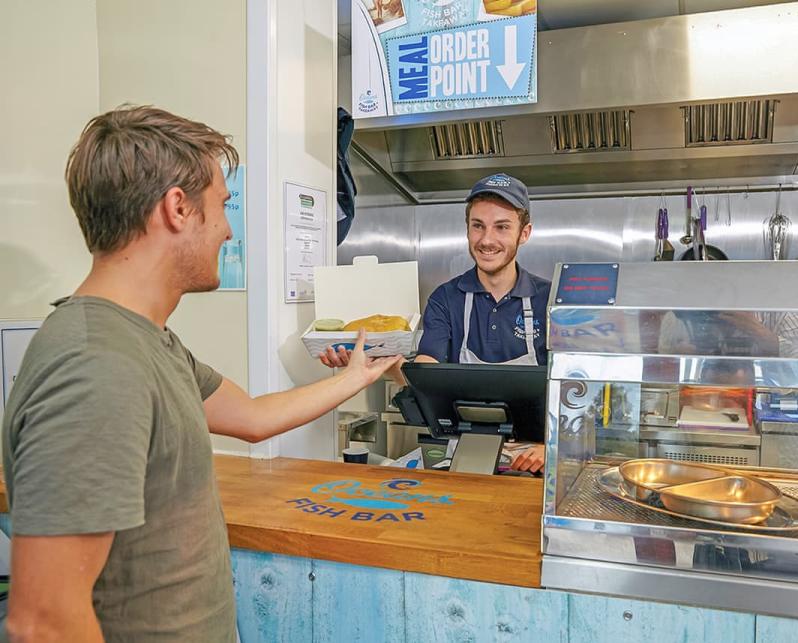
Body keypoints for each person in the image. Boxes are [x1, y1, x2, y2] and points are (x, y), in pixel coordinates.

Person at [0, 106, 402, 643]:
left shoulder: (147, 342)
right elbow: (43, 624)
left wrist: (356, 375)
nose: (229, 231)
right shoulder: (97, 366)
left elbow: (254, 417)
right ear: (177, 209)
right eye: (222, 206)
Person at [321, 173, 550, 473]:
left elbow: (573, 391)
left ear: (524, 233)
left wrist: (552, 447)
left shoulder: (549, 300)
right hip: (464, 460)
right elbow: (426, 379)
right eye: (477, 226)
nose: (486, 240)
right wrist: (384, 362)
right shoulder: (446, 298)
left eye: (502, 227)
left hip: (533, 464)